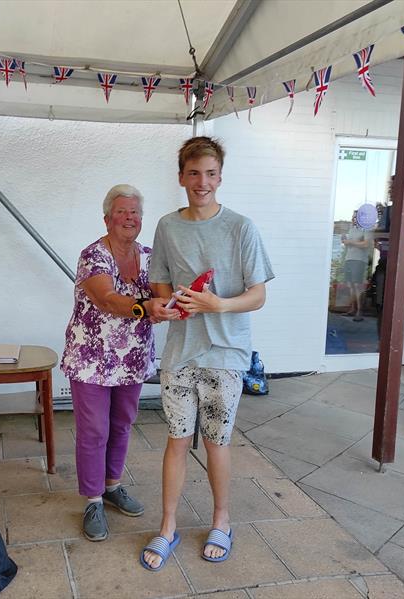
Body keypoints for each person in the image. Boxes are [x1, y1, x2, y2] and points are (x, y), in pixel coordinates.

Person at [140, 137, 274, 571]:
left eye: (210, 173)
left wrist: (220, 304)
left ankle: (222, 520)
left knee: (217, 442)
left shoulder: (241, 227)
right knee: (176, 441)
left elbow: (257, 296)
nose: (202, 182)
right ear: (181, 177)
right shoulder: (166, 226)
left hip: (227, 353)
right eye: (194, 173)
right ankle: (167, 526)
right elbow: (159, 287)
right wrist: (165, 304)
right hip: (179, 353)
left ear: (221, 176)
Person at [60, 184, 178, 542]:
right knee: (94, 430)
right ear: (107, 218)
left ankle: (113, 485)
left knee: (123, 423)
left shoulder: (149, 254)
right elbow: (107, 299)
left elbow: (163, 293)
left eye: (136, 213)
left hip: (133, 356)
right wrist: (146, 308)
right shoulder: (93, 255)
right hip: (91, 358)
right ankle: (93, 499)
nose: (130, 218)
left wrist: (174, 301)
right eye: (123, 212)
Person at [341, 213, 373, 321]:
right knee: (350, 285)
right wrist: (345, 241)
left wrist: (350, 242)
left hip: (359, 260)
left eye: (355, 217)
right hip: (349, 258)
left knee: (357, 285)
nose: (353, 219)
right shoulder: (351, 229)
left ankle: (360, 310)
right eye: (352, 217)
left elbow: (366, 244)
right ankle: (352, 309)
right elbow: (347, 242)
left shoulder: (366, 229)